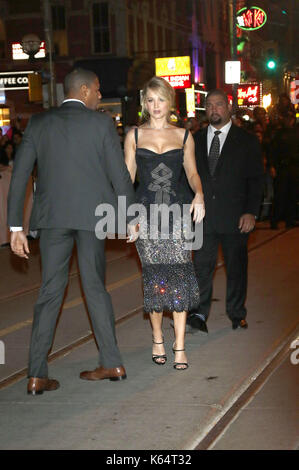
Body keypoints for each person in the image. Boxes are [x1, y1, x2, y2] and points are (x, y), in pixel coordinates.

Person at [7, 68, 135, 395]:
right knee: (95, 287)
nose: (99, 95)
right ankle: (112, 361)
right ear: (84, 90)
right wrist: (133, 216)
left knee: (50, 291)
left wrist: (15, 227)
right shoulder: (101, 124)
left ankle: (36, 373)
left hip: (52, 220)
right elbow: (118, 173)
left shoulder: (39, 123)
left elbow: (20, 177)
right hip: (94, 217)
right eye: (97, 89)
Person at [124, 76, 205, 370]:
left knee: (180, 278)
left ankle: (179, 344)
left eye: (160, 100)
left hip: (179, 215)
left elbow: (193, 173)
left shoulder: (184, 136)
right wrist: (129, 217)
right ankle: (158, 336)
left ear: (170, 102)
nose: (155, 106)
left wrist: (199, 194)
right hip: (147, 217)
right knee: (156, 280)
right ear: (144, 103)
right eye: (150, 100)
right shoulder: (133, 135)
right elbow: (127, 180)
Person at [187, 89, 264, 333]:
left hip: (236, 217)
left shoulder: (247, 140)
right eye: (209, 105)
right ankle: (198, 313)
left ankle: (236, 313)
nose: (213, 109)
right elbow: (187, 176)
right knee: (201, 266)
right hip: (203, 218)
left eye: (219, 105)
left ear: (229, 107)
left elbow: (256, 180)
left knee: (236, 268)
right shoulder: (194, 139)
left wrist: (251, 211)